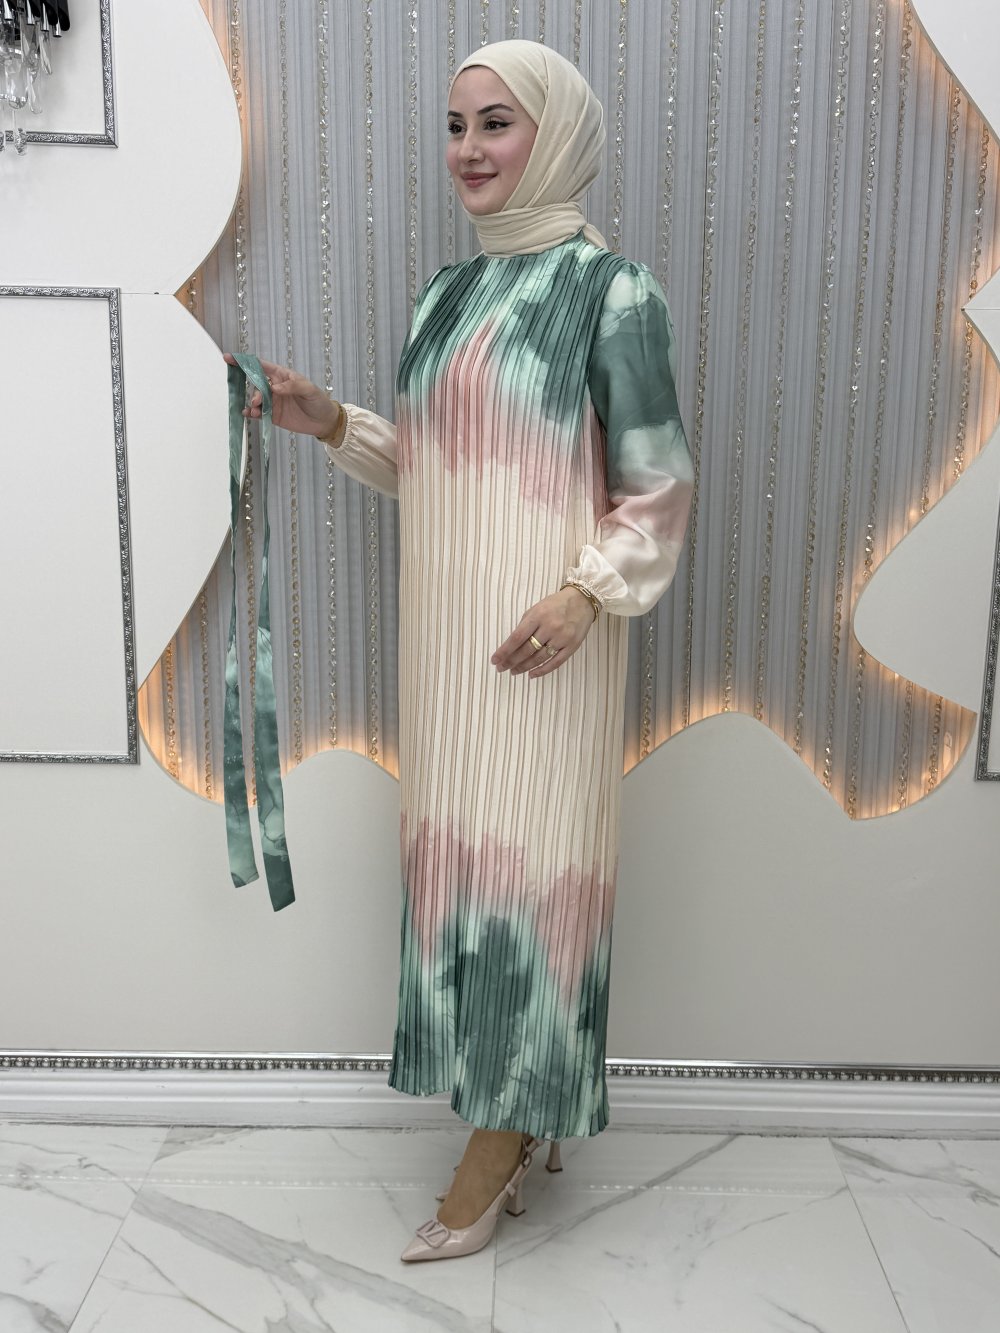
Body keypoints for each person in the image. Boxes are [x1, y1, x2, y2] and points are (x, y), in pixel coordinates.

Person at [227, 38, 693, 1263]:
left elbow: (655, 486)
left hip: (551, 643)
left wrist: (586, 596)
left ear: (557, 132)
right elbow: (438, 470)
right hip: (445, 652)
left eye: (497, 122)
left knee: (536, 871)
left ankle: (502, 1134)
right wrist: (331, 421)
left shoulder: (614, 292)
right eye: (455, 126)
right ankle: (513, 1110)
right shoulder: (446, 295)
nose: (470, 150)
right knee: (459, 866)